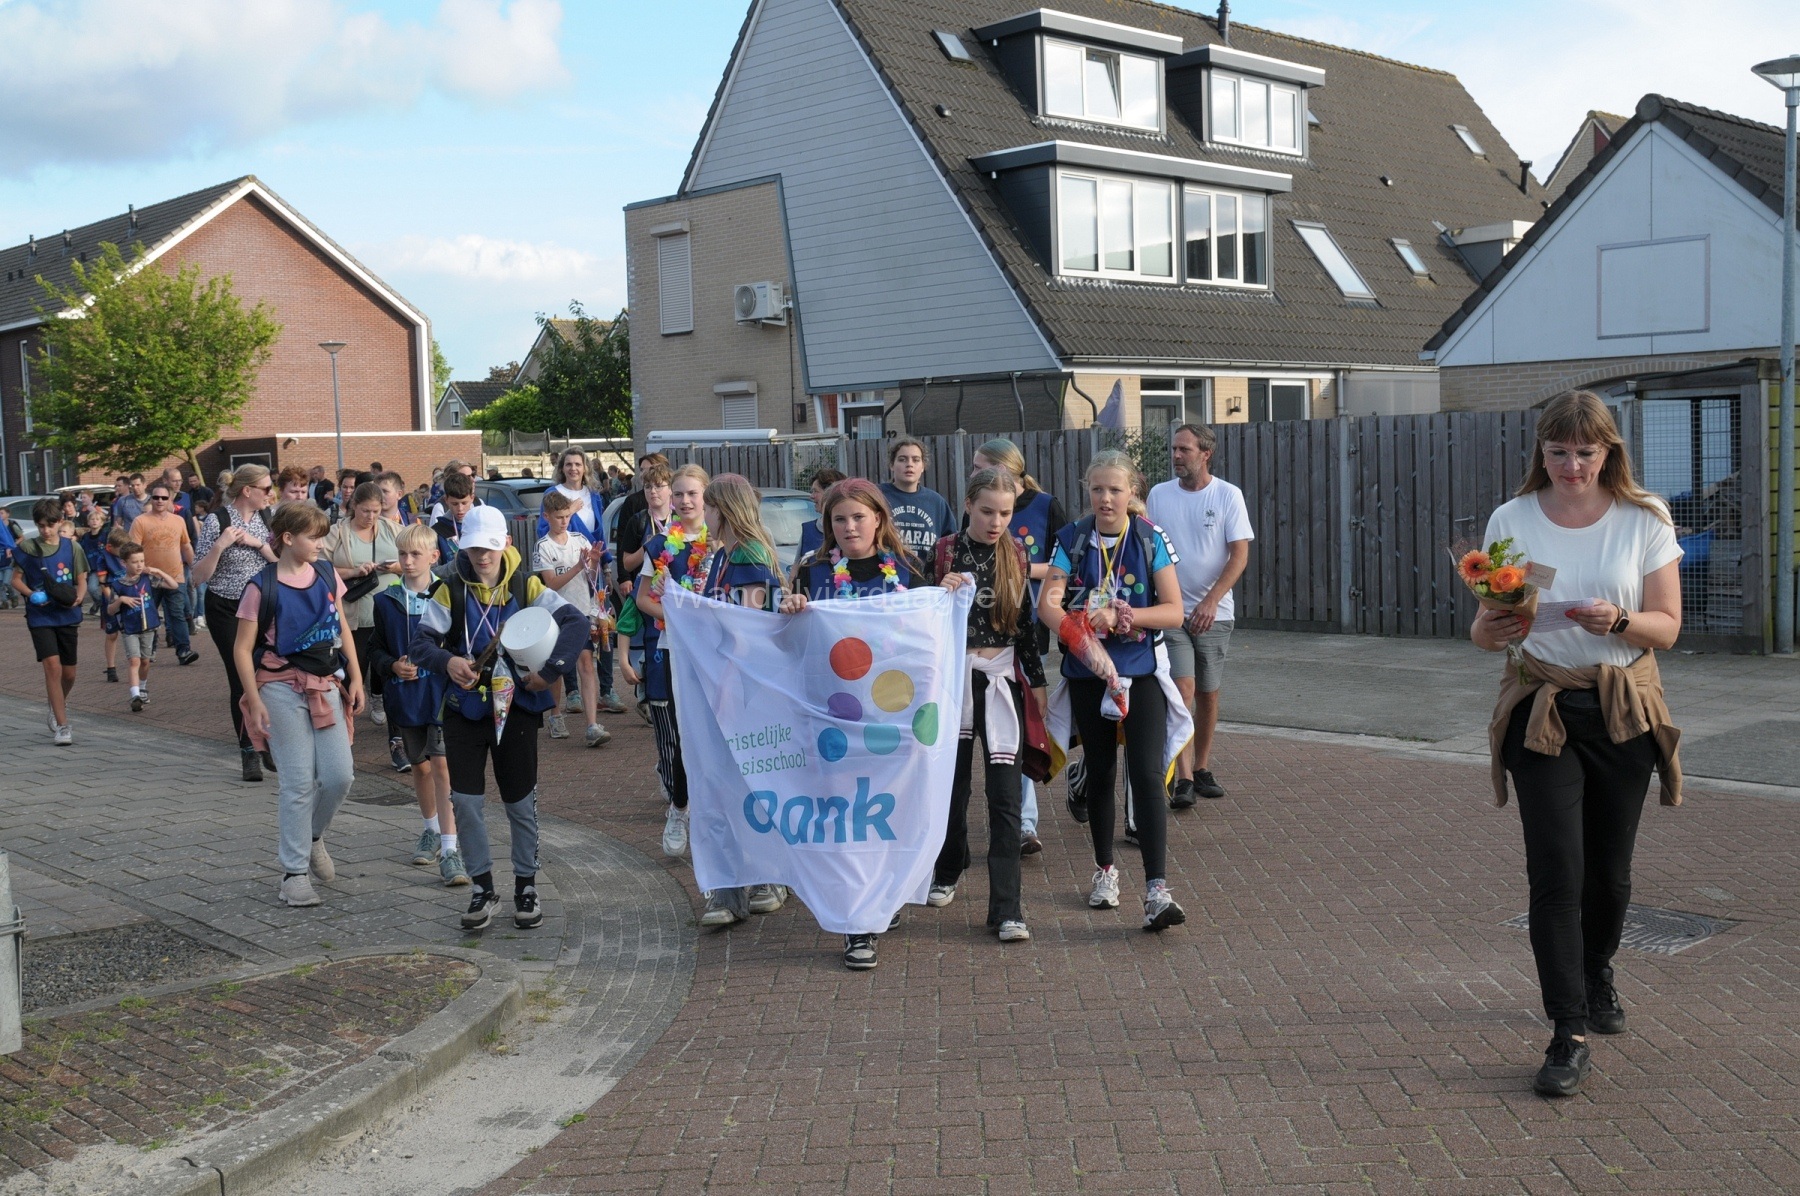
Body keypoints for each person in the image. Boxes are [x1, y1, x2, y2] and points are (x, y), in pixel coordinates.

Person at [1473, 390, 1685, 1099]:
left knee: (1610, 877)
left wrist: (1620, 620)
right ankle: (1568, 1030)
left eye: (1585, 452)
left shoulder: (1643, 518)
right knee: (1557, 873)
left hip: (1623, 712)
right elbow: (1489, 625)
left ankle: (1596, 971)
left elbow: (1668, 627)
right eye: (1558, 451)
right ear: (1541, 451)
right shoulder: (1512, 519)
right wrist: (1491, 629)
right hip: (1543, 712)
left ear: (1608, 451)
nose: (1571, 465)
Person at [407, 505, 588, 931]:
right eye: (473, 548)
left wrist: (550, 672)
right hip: (465, 710)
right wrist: (448, 661)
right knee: (467, 804)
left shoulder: (527, 585)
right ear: (463, 548)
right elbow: (420, 645)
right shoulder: (449, 589)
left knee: (520, 803)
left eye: (489, 547)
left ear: (506, 543)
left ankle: (526, 886)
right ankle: (483, 887)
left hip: (517, 709)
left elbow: (576, 623)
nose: (482, 556)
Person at [1038, 450, 1189, 934]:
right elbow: (1048, 605)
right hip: (1089, 674)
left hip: (1140, 673)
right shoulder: (1071, 538)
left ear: (1132, 492)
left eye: (1115, 490)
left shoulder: (1149, 538)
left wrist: (1124, 616)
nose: (1105, 498)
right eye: (1097, 489)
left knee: (1145, 774)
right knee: (1101, 771)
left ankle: (1157, 890)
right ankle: (1105, 870)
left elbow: (1174, 611)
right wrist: (1082, 636)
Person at [783, 478, 927, 970]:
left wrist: (948, 595)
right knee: (846, 815)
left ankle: (882, 894)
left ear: (879, 519)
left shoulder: (908, 569)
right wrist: (791, 610)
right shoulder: (813, 571)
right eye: (839, 519)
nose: (849, 527)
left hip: (891, 715)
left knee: (887, 812)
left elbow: (926, 638)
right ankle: (858, 924)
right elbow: (790, 643)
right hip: (835, 716)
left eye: (858, 517)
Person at [927, 468, 1043, 943]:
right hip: (952, 683)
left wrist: (1037, 683)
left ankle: (1007, 909)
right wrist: (939, 592)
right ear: (968, 505)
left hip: (1001, 683)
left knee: (1006, 798)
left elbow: (1026, 623)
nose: (997, 522)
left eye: (1006, 513)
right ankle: (949, 867)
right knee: (951, 789)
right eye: (988, 511)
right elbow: (920, 616)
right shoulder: (943, 551)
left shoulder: (1016, 553)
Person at [234, 502, 364, 909]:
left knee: (340, 776)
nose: (321, 544)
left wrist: (356, 676)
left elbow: (341, 626)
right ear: (288, 539)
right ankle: (293, 874)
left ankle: (311, 837)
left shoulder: (325, 574)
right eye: (314, 537)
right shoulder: (261, 587)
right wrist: (254, 699)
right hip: (280, 687)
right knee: (298, 782)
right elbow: (242, 648)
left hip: (325, 683)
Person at [691, 474, 788, 929]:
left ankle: (768, 876)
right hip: (734, 682)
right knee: (731, 780)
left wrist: (725, 681)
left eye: (709, 507)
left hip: (747, 686)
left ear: (724, 511)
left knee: (752, 780)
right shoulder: (723, 556)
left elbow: (747, 629)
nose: (703, 515)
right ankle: (738, 883)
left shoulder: (748, 555)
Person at [969, 439, 1067, 856]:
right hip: (975, 646)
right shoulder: (977, 508)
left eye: (981, 467)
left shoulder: (1045, 506)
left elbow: (1064, 564)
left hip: (1024, 634)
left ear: (1008, 470)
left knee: (1020, 732)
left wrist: (1024, 567)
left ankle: (1025, 823)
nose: (974, 474)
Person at [1147, 424, 1253, 807]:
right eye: (1174, 449)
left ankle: (1203, 766)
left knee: (1208, 693)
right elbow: (1147, 545)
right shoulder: (1159, 495)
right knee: (1183, 690)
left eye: (1184, 449)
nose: (1176, 455)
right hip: (1171, 613)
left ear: (1206, 453)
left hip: (1215, 614)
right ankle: (1184, 778)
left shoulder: (1227, 495)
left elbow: (1239, 555)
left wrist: (1211, 601)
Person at [366, 522, 470, 887]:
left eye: (415, 554)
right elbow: (376, 648)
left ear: (434, 556)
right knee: (421, 767)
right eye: (402, 554)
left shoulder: (450, 595)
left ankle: (451, 848)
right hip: (406, 697)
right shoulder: (386, 601)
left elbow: (461, 645)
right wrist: (391, 666)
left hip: (442, 695)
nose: (408, 561)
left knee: (442, 766)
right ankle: (430, 829)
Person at [634, 464, 712, 861]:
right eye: (678, 494)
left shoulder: (722, 541)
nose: (684, 501)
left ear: (706, 496)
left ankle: (714, 814)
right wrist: (675, 617)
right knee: (682, 735)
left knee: (715, 734)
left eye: (692, 493)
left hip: (714, 652)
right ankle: (680, 807)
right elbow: (642, 599)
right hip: (674, 649)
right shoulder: (660, 545)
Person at [193, 464, 282, 781]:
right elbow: (197, 576)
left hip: (261, 608)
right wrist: (221, 544)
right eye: (266, 488)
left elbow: (281, 563)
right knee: (240, 678)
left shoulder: (267, 518)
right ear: (247, 490)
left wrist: (259, 545)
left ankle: (265, 740)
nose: (270, 494)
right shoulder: (217, 520)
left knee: (266, 676)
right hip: (226, 608)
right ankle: (249, 751)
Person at [537, 448, 625, 716]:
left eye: (578, 464)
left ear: (585, 467)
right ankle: (572, 692)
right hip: (565, 568)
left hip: (592, 567)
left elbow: (598, 533)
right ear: (561, 468)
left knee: (603, 626)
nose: (573, 468)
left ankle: (607, 689)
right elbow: (544, 530)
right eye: (568, 464)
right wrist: (571, 510)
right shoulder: (553, 494)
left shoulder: (594, 495)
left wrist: (605, 565)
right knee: (570, 632)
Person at [324, 482, 403, 748]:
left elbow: (415, 559)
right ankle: (343, 735)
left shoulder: (392, 529)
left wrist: (396, 567)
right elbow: (319, 566)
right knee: (350, 673)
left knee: (390, 674)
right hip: (354, 618)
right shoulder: (338, 532)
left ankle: (396, 737)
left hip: (389, 616)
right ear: (353, 506)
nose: (371, 517)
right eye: (365, 511)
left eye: (376, 511)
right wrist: (353, 571)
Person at [533, 490, 613, 748]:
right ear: (547, 517)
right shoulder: (543, 547)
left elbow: (590, 577)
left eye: (567, 516)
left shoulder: (579, 539)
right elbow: (551, 583)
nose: (564, 521)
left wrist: (594, 564)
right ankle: (556, 715)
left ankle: (592, 725)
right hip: (556, 614)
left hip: (581, 611)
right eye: (559, 517)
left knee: (586, 664)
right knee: (556, 668)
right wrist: (578, 567)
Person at [13, 497, 88, 746]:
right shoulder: (27, 548)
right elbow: (16, 579)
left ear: (60, 521)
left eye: (50, 524)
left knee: (69, 673)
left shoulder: (72, 547)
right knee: (52, 667)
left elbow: (81, 578)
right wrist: (31, 594)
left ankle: (57, 704)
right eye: (41, 525)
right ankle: (63, 725)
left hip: (66, 614)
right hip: (40, 615)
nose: (46, 530)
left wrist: (79, 597)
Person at [615, 462, 673, 718]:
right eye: (648, 487)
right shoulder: (638, 521)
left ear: (670, 490)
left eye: (659, 486)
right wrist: (648, 547)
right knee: (650, 642)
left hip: (674, 589)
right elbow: (627, 562)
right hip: (646, 588)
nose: (653, 491)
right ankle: (648, 691)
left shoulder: (682, 520)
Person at [131, 480, 201, 666]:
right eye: (156, 497)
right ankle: (148, 650)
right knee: (148, 614)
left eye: (164, 498)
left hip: (174, 576)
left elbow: (186, 546)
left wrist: (195, 569)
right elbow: (133, 550)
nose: (160, 501)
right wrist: (137, 571)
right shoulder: (140, 521)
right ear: (151, 499)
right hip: (148, 577)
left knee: (177, 614)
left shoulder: (178, 520)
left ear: (170, 499)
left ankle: (184, 650)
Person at [107, 541, 179, 713]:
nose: (139, 565)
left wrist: (158, 571)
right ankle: (135, 696)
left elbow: (173, 585)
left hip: (149, 627)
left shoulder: (148, 579)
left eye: (142, 561)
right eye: (134, 562)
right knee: (134, 660)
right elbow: (110, 610)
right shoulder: (118, 585)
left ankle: (142, 687)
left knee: (145, 662)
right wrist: (121, 600)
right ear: (124, 563)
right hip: (130, 628)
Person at [879, 436, 956, 559]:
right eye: (902, 459)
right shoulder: (877, 495)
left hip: (926, 571)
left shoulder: (936, 502)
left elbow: (950, 544)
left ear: (923, 466)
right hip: (886, 569)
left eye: (916, 460)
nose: (909, 464)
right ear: (892, 465)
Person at [793, 467, 846, 575]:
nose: (811, 496)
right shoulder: (809, 530)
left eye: (815, 491)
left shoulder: (851, 531)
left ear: (831, 492)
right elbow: (795, 571)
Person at [431, 470, 477, 566]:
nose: (460, 509)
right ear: (446, 500)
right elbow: (433, 570)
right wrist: (457, 567)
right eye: (455, 504)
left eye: (464, 503)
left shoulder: (482, 524)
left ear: (472, 498)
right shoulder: (438, 531)